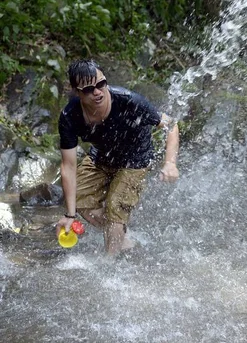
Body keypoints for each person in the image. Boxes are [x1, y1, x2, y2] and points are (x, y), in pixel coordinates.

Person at [55, 59, 180, 256]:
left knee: (115, 207)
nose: (97, 92)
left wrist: (170, 163)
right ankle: (123, 237)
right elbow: (68, 167)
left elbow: (171, 125)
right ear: (77, 92)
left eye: (101, 84)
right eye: (88, 89)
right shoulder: (70, 116)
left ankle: (109, 264)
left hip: (135, 160)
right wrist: (69, 215)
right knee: (78, 199)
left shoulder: (128, 101)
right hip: (101, 157)